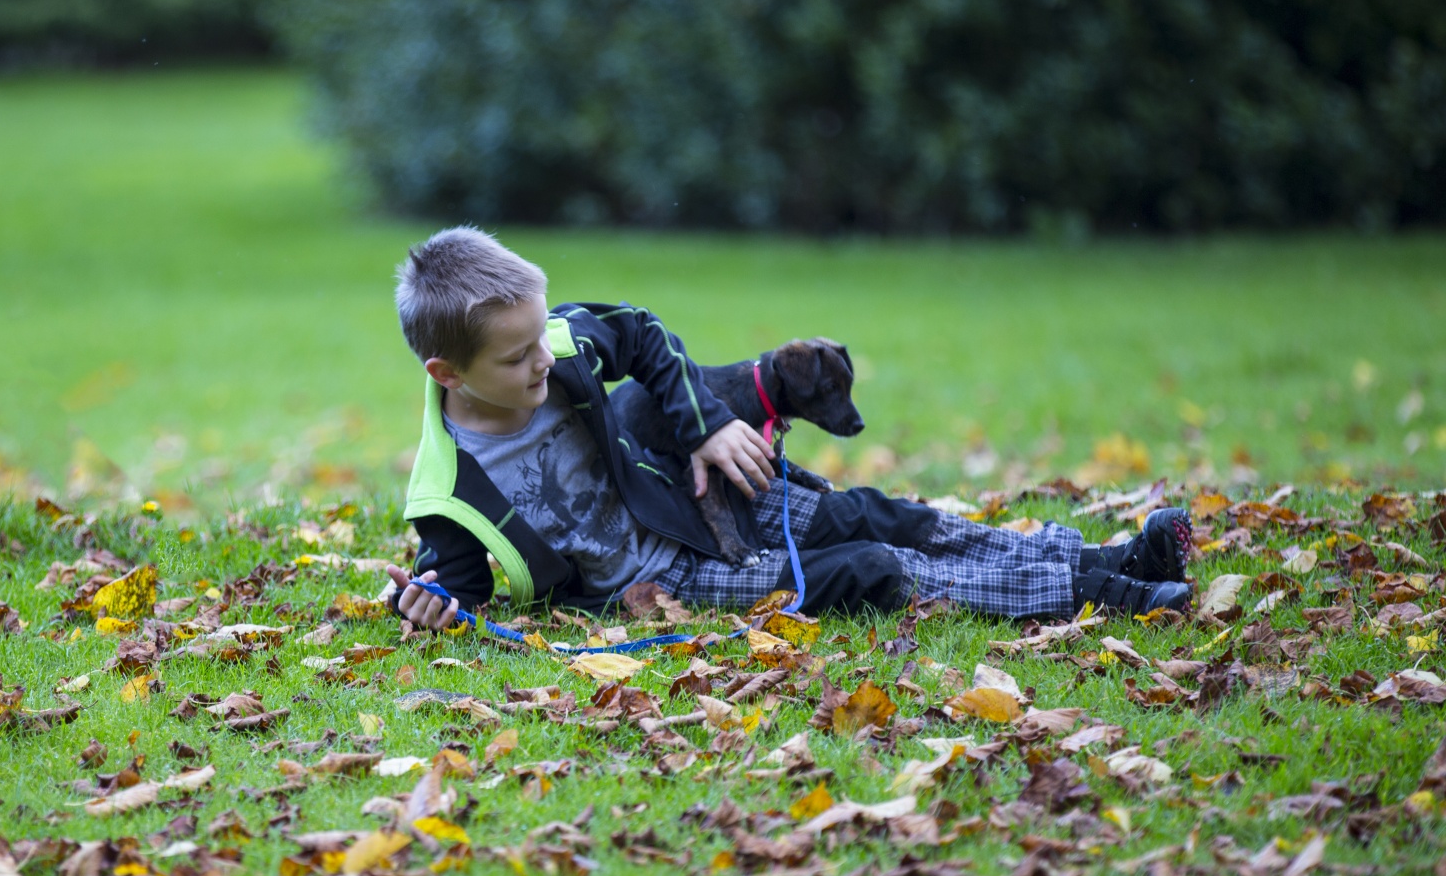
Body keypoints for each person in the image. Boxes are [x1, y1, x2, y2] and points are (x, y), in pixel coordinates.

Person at [381, 227, 1192, 630]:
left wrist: (703, 429)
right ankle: (1101, 596)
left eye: (539, 342)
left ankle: (1102, 561)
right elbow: (457, 583)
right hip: (672, 581)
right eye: (516, 359)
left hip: (704, 496)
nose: (543, 365)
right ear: (447, 375)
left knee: (875, 513)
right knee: (870, 566)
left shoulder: (560, 343)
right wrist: (430, 604)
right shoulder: (446, 489)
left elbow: (646, 336)